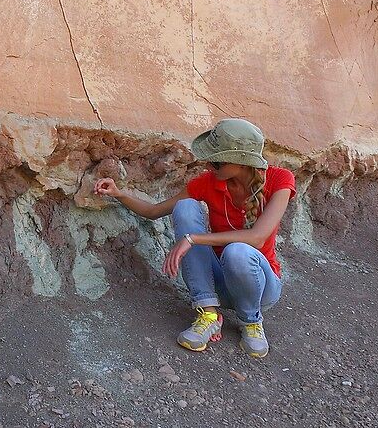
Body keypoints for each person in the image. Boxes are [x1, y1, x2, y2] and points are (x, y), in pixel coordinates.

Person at [93, 119, 296, 357]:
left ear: (241, 161)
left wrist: (193, 239)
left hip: (261, 287)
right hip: (222, 282)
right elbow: (153, 211)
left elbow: (257, 237)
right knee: (185, 207)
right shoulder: (207, 183)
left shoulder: (280, 179)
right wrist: (118, 193)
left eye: (217, 160)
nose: (210, 165)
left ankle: (251, 321)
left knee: (237, 251)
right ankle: (208, 313)